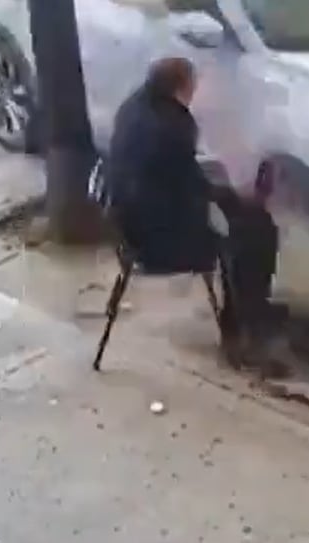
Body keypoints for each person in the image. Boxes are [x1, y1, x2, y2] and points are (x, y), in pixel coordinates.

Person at [105, 57, 281, 358]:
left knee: (242, 214)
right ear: (181, 88)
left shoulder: (134, 107)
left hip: (127, 217)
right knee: (253, 232)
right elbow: (192, 188)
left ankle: (249, 308)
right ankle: (242, 323)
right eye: (193, 85)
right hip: (156, 239)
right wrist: (236, 198)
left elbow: (175, 173)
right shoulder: (173, 127)